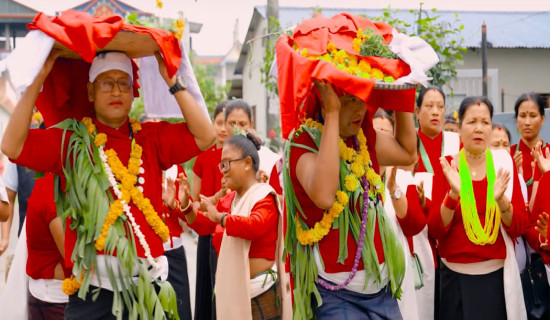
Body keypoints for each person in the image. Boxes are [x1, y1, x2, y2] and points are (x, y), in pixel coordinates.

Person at [1, 50, 215, 318]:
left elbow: (206, 136)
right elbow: (11, 145)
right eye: (106, 83)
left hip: (150, 290)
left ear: (133, 93)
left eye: (123, 83)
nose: (116, 90)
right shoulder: (72, 142)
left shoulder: (151, 138)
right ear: (90, 92)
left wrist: (172, 82)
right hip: (94, 296)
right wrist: (38, 80)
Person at [284, 81, 417, 319]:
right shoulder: (303, 143)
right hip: (337, 296)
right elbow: (325, 196)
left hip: (382, 291)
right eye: (348, 101)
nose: (360, 110)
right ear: (325, 104)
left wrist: (402, 90)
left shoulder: (362, 138)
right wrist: (333, 113)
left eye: (361, 99)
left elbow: (407, 154)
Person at [428, 96, 529, 320]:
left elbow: (519, 226)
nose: (479, 128)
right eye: (472, 121)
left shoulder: (504, 163)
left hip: (495, 279)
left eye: (485, 122)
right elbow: (436, 230)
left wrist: (502, 201)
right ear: (460, 126)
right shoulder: (447, 165)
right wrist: (453, 195)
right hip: (454, 280)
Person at [172, 132, 289, 320]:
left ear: (247, 163)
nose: (223, 170)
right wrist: (185, 206)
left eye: (227, 163)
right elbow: (204, 226)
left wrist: (221, 217)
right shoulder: (230, 200)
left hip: (261, 292)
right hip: (234, 292)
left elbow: (254, 226)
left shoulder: (264, 196)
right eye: (221, 164)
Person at [413, 85, 460, 320]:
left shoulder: (456, 143)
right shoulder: (407, 143)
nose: (435, 112)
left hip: (450, 232)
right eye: (429, 106)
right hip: (418, 235)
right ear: (416, 111)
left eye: (440, 107)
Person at [25, 173, 71, 319]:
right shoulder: (53, 192)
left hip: (52, 295)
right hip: (55, 298)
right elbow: (75, 260)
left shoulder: (50, 180)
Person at [511, 93, 548, 200]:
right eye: (522, 116)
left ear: (542, 119)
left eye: (533, 116)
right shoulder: (509, 155)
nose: (527, 122)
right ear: (517, 120)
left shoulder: (548, 153)